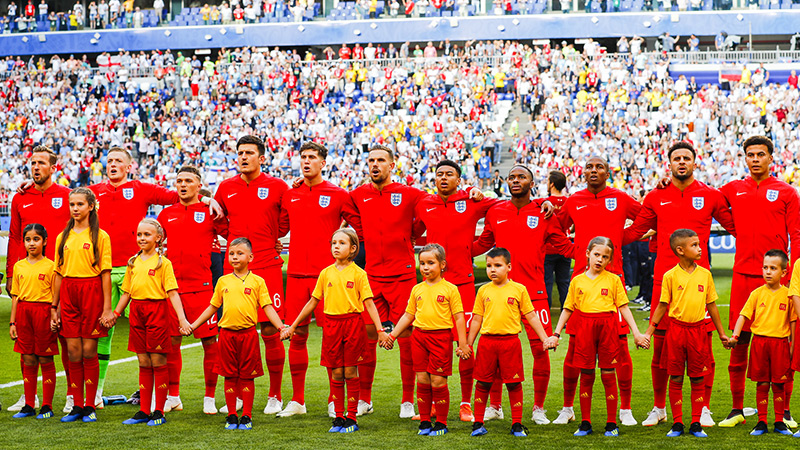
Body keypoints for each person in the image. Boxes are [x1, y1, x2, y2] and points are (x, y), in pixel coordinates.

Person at [624, 142, 735, 428]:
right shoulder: (655, 196)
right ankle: (659, 407)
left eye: (687, 158)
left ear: (695, 163)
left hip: (701, 281)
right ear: (669, 163)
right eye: (677, 158)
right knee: (660, 350)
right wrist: (606, 241)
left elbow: (735, 226)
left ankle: (704, 408)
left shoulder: (711, 195)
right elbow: (636, 230)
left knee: (705, 352)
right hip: (665, 280)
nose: (682, 162)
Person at [472, 165, 573, 424]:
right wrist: (455, 251)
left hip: (534, 292)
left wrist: (596, 250)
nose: (516, 181)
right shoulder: (497, 210)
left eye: (522, 177)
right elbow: (483, 242)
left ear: (531, 182)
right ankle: (495, 406)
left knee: (541, 348)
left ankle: (538, 408)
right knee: (495, 349)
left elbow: (564, 245)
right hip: (499, 294)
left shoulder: (543, 211)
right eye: (512, 177)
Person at [717, 136, 800, 428]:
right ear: (745, 158)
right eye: (750, 154)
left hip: (778, 280)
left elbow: (797, 234)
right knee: (739, 343)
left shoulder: (787, 191)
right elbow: (708, 201)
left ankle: (785, 411)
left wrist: (794, 277)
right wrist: (734, 228)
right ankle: (737, 409)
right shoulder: (733, 189)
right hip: (742, 276)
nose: (755, 159)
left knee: (782, 345)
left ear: (770, 158)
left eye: (760, 154)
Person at [554, 157, 642, 427]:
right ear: (583, 171)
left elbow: (644, 218)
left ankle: (625, 409)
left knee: (621, 349)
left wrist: (619, 241)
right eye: (589, 167)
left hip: (612, 282)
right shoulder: (573, 200)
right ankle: (568, 407)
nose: (594, 171)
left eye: (599, 167)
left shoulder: (621, 198)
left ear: (608, 172)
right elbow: (555, 228)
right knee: (574, 352)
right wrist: (574, 252)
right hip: (582, 284)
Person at [276, 142, 359, 418]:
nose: (307, 161)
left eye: (312, 157)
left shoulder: (338, 195)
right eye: (303, 157)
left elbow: (359, 227)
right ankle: (298, 400)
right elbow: (278, 227)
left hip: (329, 277)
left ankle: (335, 400)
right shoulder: (290, 194)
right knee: (296, 335)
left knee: (333, 338)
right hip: (297, 274)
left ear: (324, 163)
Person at [341, 145, 426, 418]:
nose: (375, 164)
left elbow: (431, 209)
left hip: (402, 275)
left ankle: (407, 400)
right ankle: (365, 399)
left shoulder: (409, 193)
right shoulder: (357, 195)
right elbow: (342, 208)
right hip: (372, 276)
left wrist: (410, 234)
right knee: (367, 336)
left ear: (392, 165)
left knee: (407, 338)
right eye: (370, 160)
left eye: (380, 160)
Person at [281, 229, 387, 434]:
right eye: (333, 243)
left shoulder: (359, 274)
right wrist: (293, 325)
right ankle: (338, 417)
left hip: (353, 325)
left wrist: (380, 329)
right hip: (331, 326)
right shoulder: (326, 272)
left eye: (342, 243)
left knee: (350, 371)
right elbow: (313, 301)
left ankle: (351, 417)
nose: (336, 246)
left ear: (353, 248)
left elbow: (370, 304)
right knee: (336, 372)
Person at [412, 160, 495, 421]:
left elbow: (499, 208)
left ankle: (466, 403)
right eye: (439, 175)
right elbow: (415, 232)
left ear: (459, 179)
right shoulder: (425, 203)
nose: (444, 178)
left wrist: (472, 249)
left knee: (466, 343)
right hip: (434, 285)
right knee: (437, 343)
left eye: (449, 174)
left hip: (463, 283)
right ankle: (436, 405)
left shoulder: (471, 200)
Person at [214, 135, 288, 415]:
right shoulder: (226, 187)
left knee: (271, 330)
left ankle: (275, 394)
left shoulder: (277, 186)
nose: (243, 157)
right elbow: (217, 219)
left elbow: (284, 222)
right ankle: (235, 398)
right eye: (240, 152)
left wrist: (271, 238)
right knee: (232, 330)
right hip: (234, 270)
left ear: (262, 158)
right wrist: (235, 244)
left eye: (249, 153)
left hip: (267, 265)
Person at [548, 237, 648, 437]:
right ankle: (586, 423)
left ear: (609, 260)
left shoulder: (613, 280)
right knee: (586, 375)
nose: (600, 259)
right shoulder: (577, 281)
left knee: (608, 374)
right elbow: (568, 308)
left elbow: (624, 307)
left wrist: (636, 333)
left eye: (605, 257)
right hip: (585, 327)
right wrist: (556, 334)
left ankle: (611, 423)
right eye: (596, 255)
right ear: (587, 254)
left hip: (608, 328)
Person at [186, 237, 286, 431]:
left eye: (240, 253)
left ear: (251, 257)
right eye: (231, 253)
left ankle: (247, 415)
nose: (234, 257)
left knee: (247, 376)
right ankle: (232, 415)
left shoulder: (258, 281)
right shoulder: (223, 281)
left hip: (248, 335)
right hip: (226, 336)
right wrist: (193, 325)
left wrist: (281, 327)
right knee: (229, 376)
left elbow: (268, 307)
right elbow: (212, 307)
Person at [642, 229, 728, 438]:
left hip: (698, 331)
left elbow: (712, 306)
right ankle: (678, 423)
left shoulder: (705, 274)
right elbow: (662, 305)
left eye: (699, 244)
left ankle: (696, 422)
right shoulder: (670, 276)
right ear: (680, 250)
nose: (700, 249)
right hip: (676, 331)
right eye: (695, 245)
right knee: (676, 377)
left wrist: (722, 333)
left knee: (698, 378)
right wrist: (649, 332)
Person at [5, 146, 71, 413]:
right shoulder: (20, 197)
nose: (35, 167)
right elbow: (13, 237)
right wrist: (11, 273)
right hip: (27, 275)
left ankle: (71, 395)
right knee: (27, 341)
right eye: (33, 163)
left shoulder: (67, 196)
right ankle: (27, 396)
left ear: (53, 167)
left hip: (61, 276)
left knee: (66, 337)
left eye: (41, 163)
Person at [158, 166, 227, 415]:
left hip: (202, 288)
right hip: (174, 288)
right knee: (172, 343)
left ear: (199, 186)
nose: (183, 184)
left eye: (188, 181)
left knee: (210, 343)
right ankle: (173, 396)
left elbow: (232, 235)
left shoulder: (210, 211)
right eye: (179, 181)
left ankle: (209, 397)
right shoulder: (166, 214)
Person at [107, 219, 190, 427]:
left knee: (158, 361)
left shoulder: (163, 263)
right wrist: (115, 314)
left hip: (157, 312)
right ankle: (144, 410)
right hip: (136, 311)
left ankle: (159, 411)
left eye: (147, 235)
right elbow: (126, 292)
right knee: (143, 362)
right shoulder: (132, 262)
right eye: (139, 235)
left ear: (158, 238)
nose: (142, 238)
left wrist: (182, 319)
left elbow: (172, 293)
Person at [384, 244, 470, 436]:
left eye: (430, 263)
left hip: (441, 338)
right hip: (419, 338)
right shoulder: (417, 289)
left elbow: (459, 318)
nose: (425, 267)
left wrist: (462, 344)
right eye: (422, 263)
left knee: (438, 381)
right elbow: (408, 315)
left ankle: (441, 423)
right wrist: (392, 335)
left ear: (442, 265)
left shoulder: (450, 289)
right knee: (422, 379)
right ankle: (424, 422)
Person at [468, 247, 554, 437]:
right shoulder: (483, 290)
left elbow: (531, 316)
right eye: (489, 265)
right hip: (487, 343)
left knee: (514, 384)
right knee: (482, 383)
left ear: (509, 267)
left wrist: (544, 338)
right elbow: (476, 319)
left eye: (497, 265)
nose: (492, 270)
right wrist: (468, 343)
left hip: (510, 343)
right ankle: (478, 423)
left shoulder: (518, 289)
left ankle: (516, 424)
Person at [52, 187, 114, 423]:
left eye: (80, 204)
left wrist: (107, 308)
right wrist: (53, 306)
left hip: (91, 292)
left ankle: (90, 405)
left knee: (89, 350)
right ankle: (76, 405)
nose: (75, 209)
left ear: (91, 206)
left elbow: (105, 274)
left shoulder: (100, 236)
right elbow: (58, 273)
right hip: (68, 292)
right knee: (73, 351)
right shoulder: (63, 236)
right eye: (72, 204)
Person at [727, 250, 794, 436]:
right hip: (759, 344)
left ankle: (780, 421)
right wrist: (735, 337)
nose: (768, 272)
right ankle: (762, 421)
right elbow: (743, 315)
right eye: (765, 267)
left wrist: (793, 348)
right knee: (762, 383)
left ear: (784, 272)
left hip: (780, 344)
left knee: (779, 384)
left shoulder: (788, 296)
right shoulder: (756, 293)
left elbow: (794, 323)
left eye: (773, 268)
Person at [9, 224, 58, 420]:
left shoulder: (51, 266)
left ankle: (47, 406)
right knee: (28, 358)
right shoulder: (18, 266)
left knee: (45, 358)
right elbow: (15, 297)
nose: (31, 243)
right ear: (24, 242)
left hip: (43, 312)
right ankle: (29, 404)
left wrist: (55, 316)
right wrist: (13, 322)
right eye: (28, 239)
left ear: (44, 242)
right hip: (23, 314)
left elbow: (56, 296)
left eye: (36, 239)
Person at [543, 170, 571, 310]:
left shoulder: (545, 203)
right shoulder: (569, 202)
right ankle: (566, 316)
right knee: (564, 282)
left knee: (547, 282)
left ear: (552, 184)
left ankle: (545, 316)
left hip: (549, 248)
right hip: (565, 247)